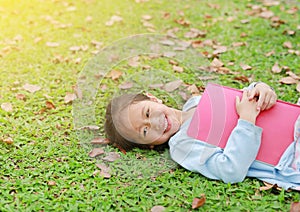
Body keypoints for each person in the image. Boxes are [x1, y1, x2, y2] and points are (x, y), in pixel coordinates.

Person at [104, 82, 300, 190]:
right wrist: (247, 120)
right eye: (145, 131)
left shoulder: (197, 101)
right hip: (290, 158)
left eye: (147, 113)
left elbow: (244, 95)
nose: (154, 123)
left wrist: (261, 89)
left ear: (154, 99)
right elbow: (231, 170)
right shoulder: (182, 146)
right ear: (149, 145)